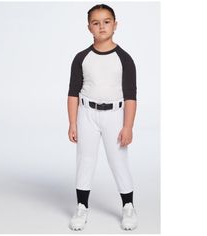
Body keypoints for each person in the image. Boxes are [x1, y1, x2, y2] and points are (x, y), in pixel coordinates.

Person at [67, 3, 138, 231]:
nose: (102, 27)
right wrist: (72, 122)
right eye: (96, 23)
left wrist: (128, 126)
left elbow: (130, 96)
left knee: (118, 160)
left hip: (115, 116)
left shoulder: (124, 59)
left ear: (115, 25)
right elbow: (72, 92)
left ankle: (128, 206)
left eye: (106, 22)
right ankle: (81, 206)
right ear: (89, 28)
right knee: (85, 160)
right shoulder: (82, 58)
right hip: (87, 115)